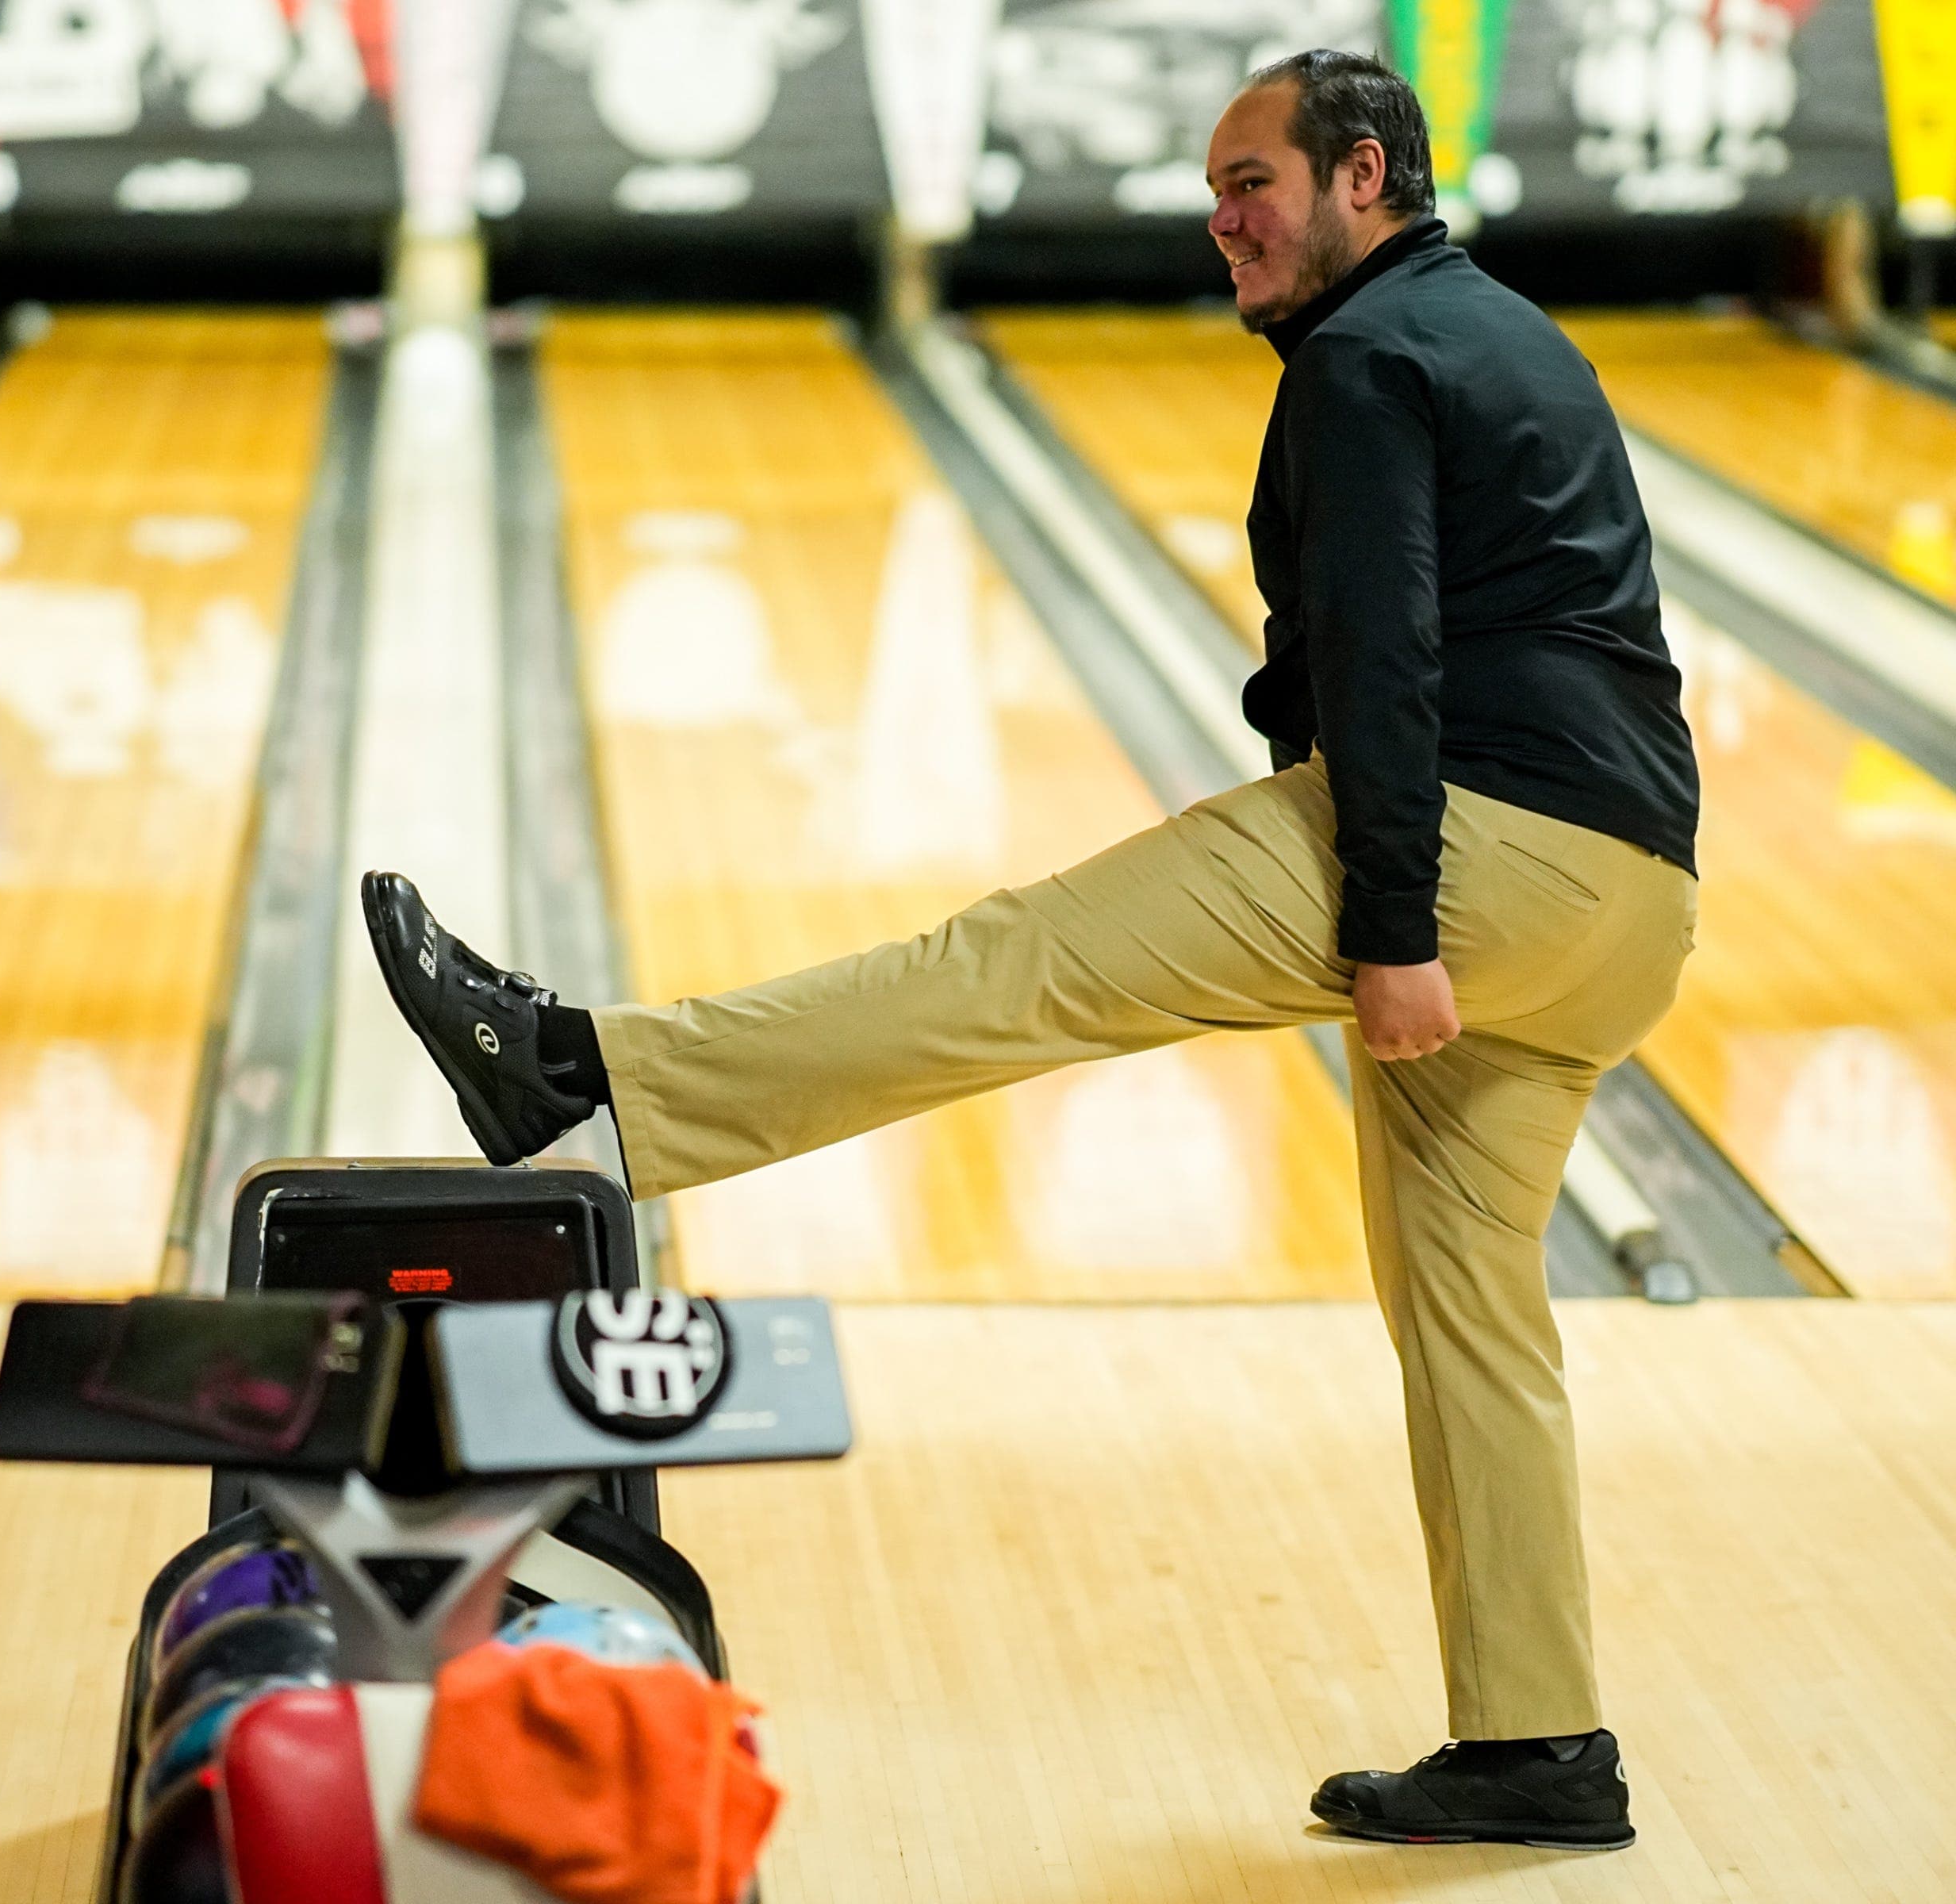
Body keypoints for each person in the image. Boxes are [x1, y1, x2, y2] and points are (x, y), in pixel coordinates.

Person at [360, 50, 1695, 1852]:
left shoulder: (1374, 360)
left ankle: (586, 1067)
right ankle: (1541, 1744)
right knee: (1476, 1332)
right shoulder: (1496, 328)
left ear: (1362, 174)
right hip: (1634, 897)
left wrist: (1393, 931)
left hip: (1468, 853)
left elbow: (1384, 667)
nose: (1220, 222)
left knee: (1018, 966)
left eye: (1252, 185)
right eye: (1214, 191)